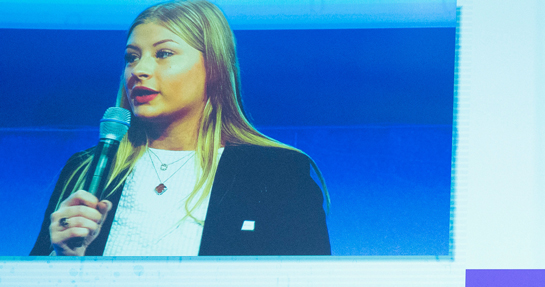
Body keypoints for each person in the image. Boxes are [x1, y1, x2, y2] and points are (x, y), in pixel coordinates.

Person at [29, 0, 330, 257]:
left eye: (163, 54)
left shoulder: (276, 172)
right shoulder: (87, 169)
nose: (139, 70)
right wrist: (63, 258)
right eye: (132, 57)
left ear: (214, 67)